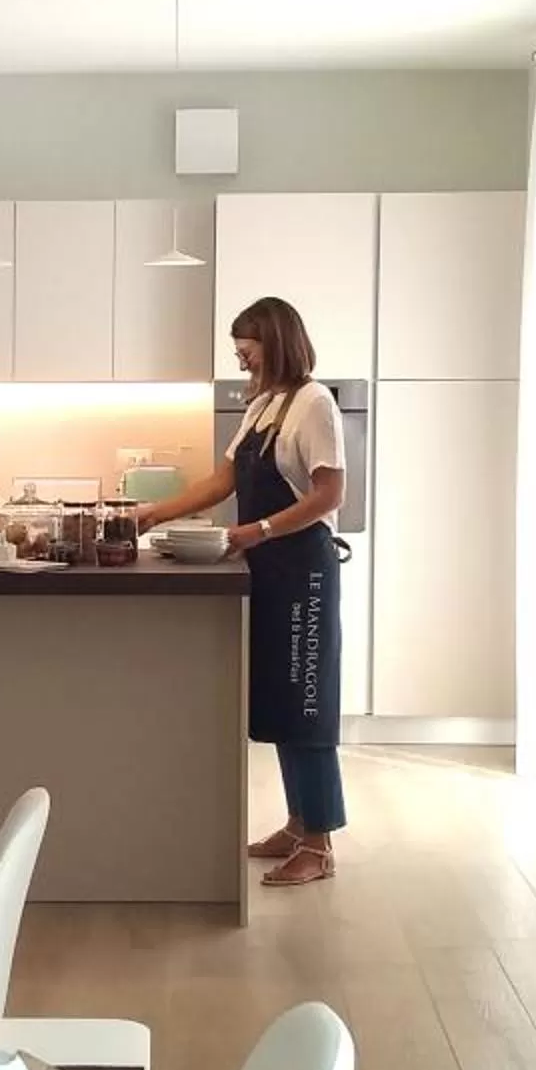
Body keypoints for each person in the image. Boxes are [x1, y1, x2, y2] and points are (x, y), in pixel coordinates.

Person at [135, 296, 348, 887]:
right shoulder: (263, 406)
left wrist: (257, 530)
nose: (241, 360)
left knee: (307, 704)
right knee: (280, 700)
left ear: (275, 342)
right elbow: (221, 480)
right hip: (268, 568)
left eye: (247, 350)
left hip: (303, 570)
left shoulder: (313, 403)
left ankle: (320, 843)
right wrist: (150, 514)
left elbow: (330, 496)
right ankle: (297, 821)